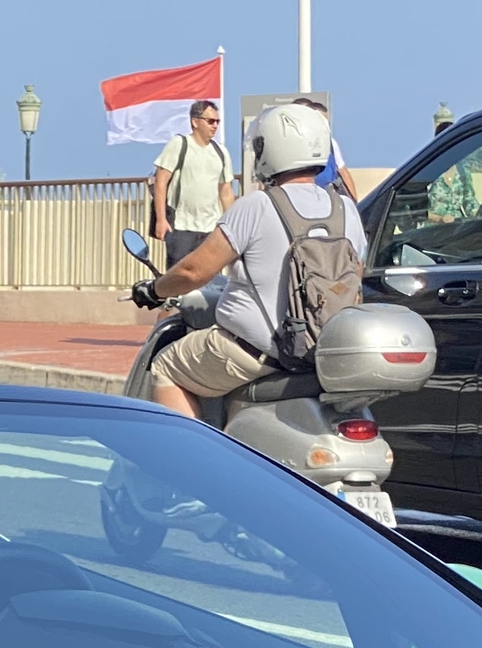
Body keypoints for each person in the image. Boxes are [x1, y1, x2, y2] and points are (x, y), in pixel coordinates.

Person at [133, 101, 365, 420]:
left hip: (253, 354)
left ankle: (188, 464)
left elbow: (194, 270)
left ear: (269, 149)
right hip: (323, 353)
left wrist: (155, 290)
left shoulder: (257, 205)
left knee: (166, 367)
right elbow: (355, 274)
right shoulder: (346, 209)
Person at [149, 99, 233, 269]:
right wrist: (161, 219)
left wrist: (231, 226)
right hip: (181, 227)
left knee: (210, 281)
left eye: (217, 121)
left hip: (211, 228)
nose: (214, 126)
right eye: (210, 121)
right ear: (195, 122)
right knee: (179, 279)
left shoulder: (221, 152)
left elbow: (226, 192)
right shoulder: (180, 144)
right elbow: (161, 182)